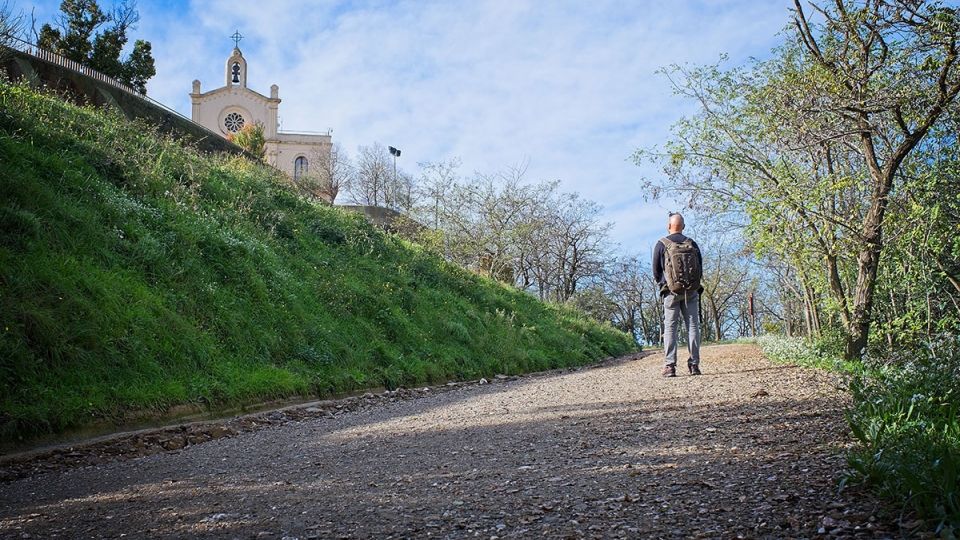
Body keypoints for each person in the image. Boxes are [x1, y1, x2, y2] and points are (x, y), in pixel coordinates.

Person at [652, 213, 703, 377]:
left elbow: (656, 270)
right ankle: (694, 365)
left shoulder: (662, 244)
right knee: (693, 326)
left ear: (669, 226)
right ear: (684, 227)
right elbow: (700, 267)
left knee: (670, 328)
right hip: (691, 291)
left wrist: (663, 284)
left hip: (671, 291)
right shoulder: (691, 243)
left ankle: (670, 366)